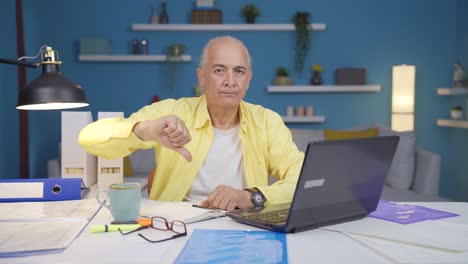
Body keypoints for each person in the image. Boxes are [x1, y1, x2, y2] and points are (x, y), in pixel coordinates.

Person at [79, 36, 304, 211]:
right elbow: (89, 138)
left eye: (239, 71)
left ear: (248, 80)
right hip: (175, 226)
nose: (230, 81)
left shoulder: (267, 122)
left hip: (245, 224)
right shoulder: (171, 112)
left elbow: (303, 179)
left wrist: (250, 196)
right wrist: (145, 130)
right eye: (219, 70)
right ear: (202, 77)